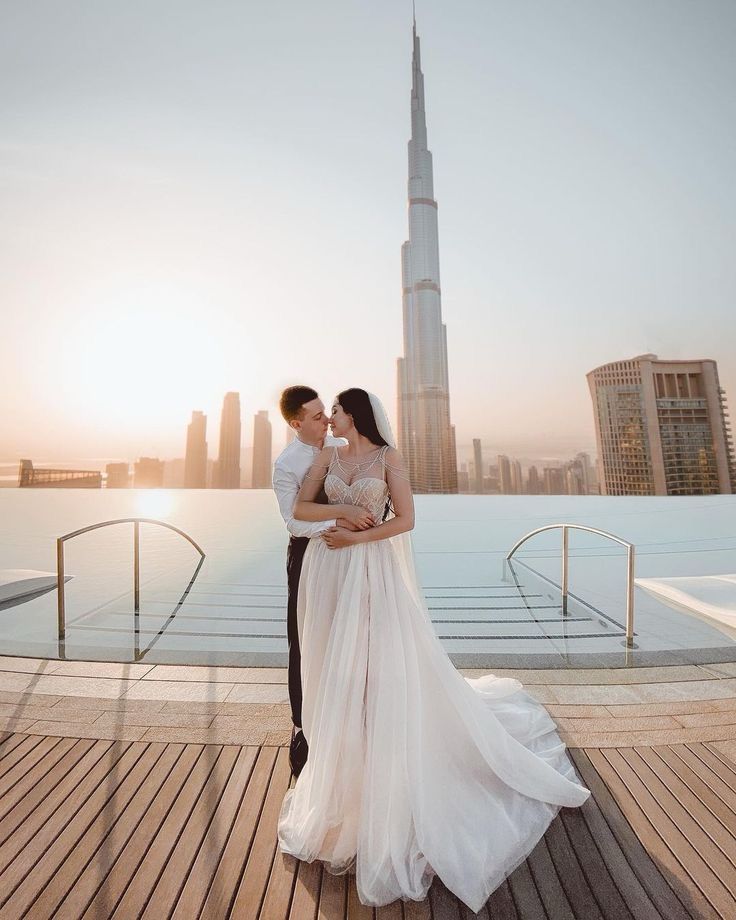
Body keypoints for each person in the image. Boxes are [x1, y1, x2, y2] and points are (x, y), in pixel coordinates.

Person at [277, 388, 590, 912]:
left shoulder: (389, 458)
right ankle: (344, 757)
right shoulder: (328, 457)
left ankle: (386, 754)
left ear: (354, 415)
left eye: (336, 410)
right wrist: (342, 514)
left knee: (380, 661)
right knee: (336, 664)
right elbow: (300, 507)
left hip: (370, 566)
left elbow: (406, 520)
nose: (329, 418)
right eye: (326, 412)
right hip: (328, 571)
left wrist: (357, 537)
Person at [273, 386, 376, 778]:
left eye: (326, 412)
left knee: (351, 632)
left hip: (350, 552)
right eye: (317, 417)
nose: (326, 420)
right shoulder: (287, 464)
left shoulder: (339, 445)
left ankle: (353, 719)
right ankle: (303, 728)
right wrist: (341, 520)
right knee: (303, 638)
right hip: (308, 552)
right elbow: (293, 521)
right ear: (296, 423)